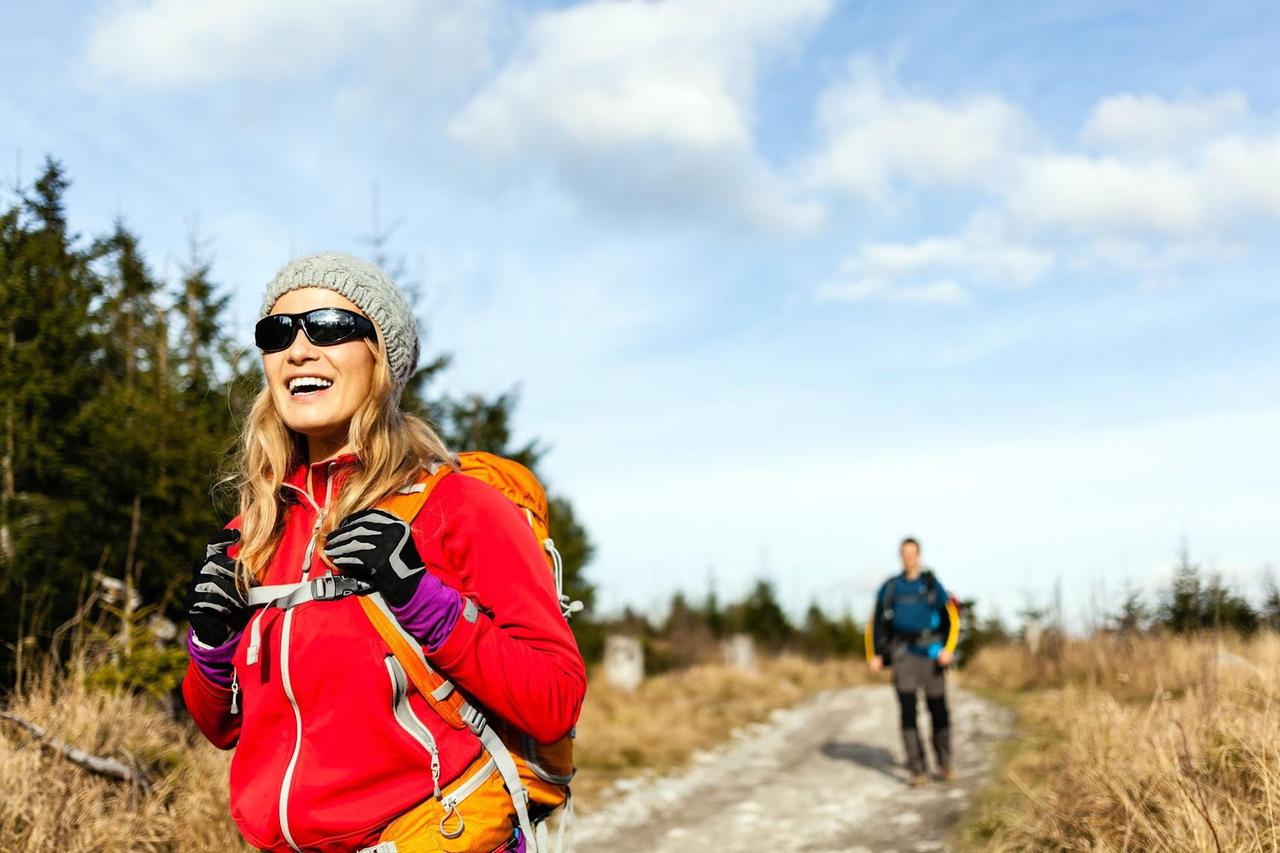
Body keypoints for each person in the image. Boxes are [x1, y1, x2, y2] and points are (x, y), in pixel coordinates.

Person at [181, 251, 586, 852]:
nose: (298, 350)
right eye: (277, 332)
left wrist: (424, 601)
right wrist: (211, 648)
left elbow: (554, 700)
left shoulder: (458, 507)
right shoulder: (256, 530)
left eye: (329, 327)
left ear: (384, 360)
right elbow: (222, 728)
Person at [865, 537, 959, 787]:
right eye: (904, 553)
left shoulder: (931, 584)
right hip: (902, 654)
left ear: (919, 555)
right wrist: (874, 654)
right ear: (900, 556)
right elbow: (874, 622)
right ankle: (917, 769)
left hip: (932, 654)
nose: (909, 558)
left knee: (938, 710)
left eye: (913, 553)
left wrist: (948, 649)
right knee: (908, 711)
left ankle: (944, 761)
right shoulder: (891, 587)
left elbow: (951, 617)